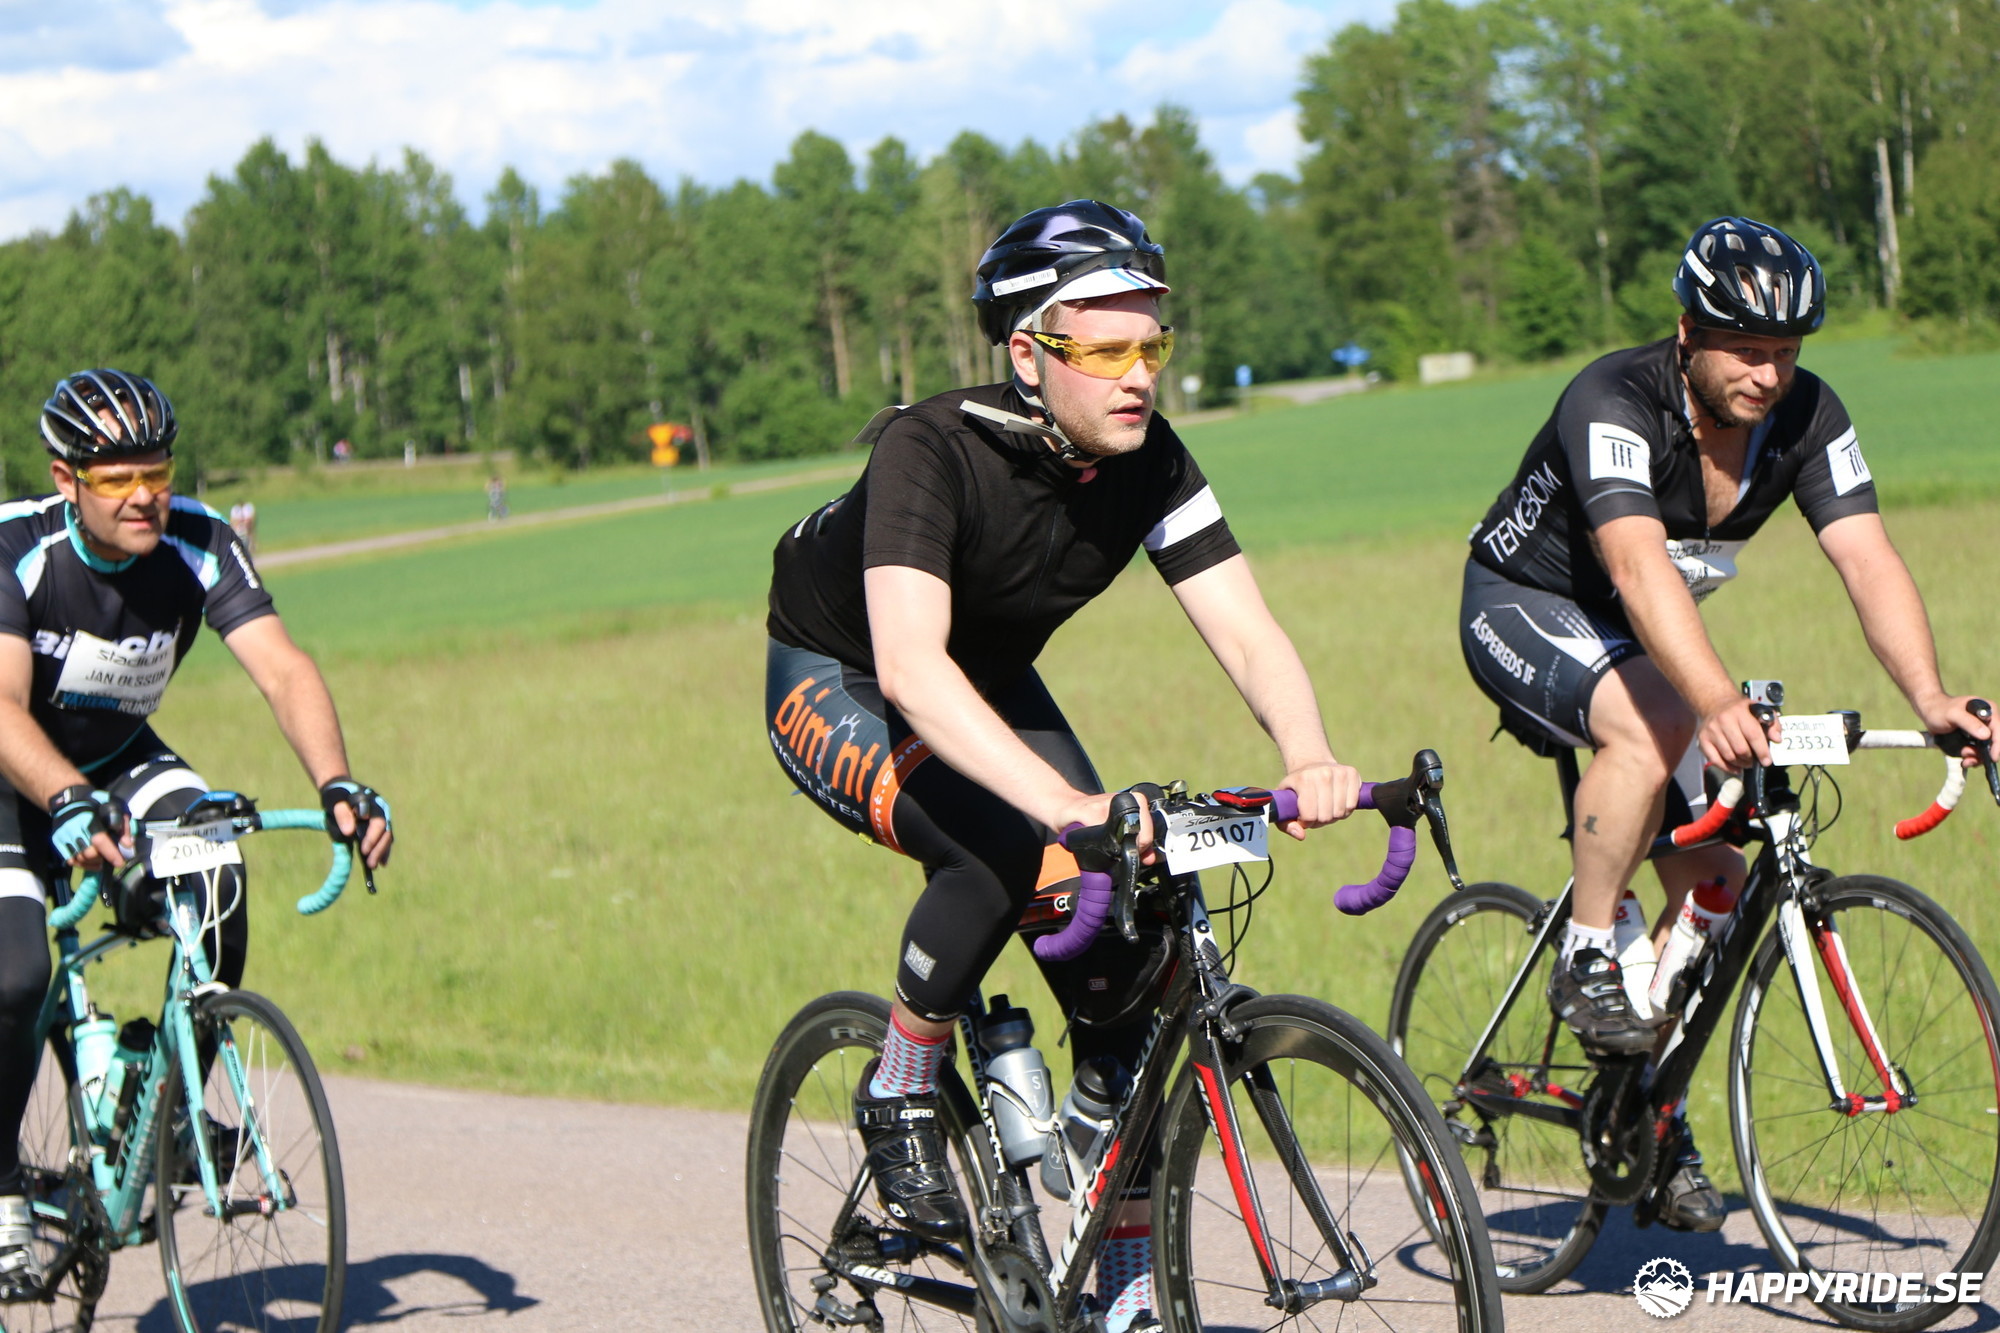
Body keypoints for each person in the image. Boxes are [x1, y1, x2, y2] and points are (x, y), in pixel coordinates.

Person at [763, 201, 1358, 1332]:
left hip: (986, 676)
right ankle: (898, 1084)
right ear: (1030, 355)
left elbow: (1244, 629)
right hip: (844, 673)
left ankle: (1120, 1278)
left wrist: (1309, 751)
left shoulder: (1151, 457)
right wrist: (1067, 806)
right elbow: (911, 669)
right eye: (1108, 351)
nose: (1140, 376)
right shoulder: (930, 449)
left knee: (1129, 976)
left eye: (1153, 346)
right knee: (1002, 851)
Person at [1458, 217, 1993, 1231]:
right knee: (1658, 724)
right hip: (1522, 604)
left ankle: (1644, 1109)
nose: (1767, 374)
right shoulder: (1612, 399)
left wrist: (1929, 696)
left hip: (1640, 638)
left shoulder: (1808, 415)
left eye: (1784, 351)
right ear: (1686, 334)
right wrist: (1712, 701)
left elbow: (1866, 556)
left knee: (1716, 881)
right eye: (1744, 350)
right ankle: (1584, 952)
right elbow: (1634, 565)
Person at [0, 370, 394, 1296]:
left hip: (117, 759)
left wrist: (337, 782)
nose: (143, 496)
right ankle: (2, 1186)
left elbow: (282, 668)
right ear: (66, 478)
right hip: (13, 772)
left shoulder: (202, 540)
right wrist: (64, 797)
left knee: (217, 864)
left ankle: (172, 1108)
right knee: (15, 974)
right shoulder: (17, 546)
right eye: (116, 479)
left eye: (158, 472)